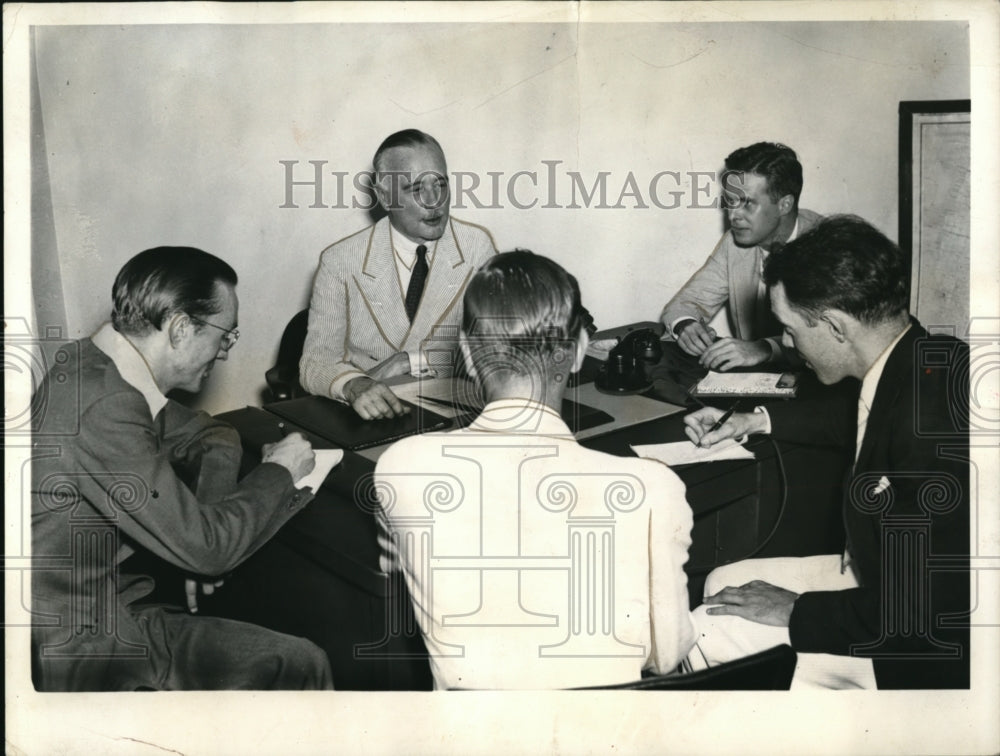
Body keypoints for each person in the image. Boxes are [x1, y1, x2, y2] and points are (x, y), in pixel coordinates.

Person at [374, 251, 696, 689]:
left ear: (467, 354)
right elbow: (667, 657)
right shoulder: (654, 488)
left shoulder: (400, 467)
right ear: (580, 350)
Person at [683, 216, 969, 689]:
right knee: (720, 584)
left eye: (790, 329)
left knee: (709, 631)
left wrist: (797, 610)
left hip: (923, 646)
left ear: (836, 326)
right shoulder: (919, 357)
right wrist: (753, 419)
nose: (788, 345)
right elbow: (859, 417)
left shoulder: (929, 433)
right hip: (885, 579)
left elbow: (927, 610)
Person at [31, 247, 333, 691]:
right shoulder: (105, 406)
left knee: (297, 662)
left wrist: (201, 538)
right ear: (180, 328)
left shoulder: (95, 367)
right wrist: (281, 471)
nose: (226, 352)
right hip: (85, 649)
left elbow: (215, 436)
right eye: (225, 335)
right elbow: (211, 549)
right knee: (301, 663)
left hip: (115, 608)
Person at [300, 129, 497, 420]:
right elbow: (315, 363)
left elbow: (495, 349)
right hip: (372, 415)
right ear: (384, 196)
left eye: (440, 184)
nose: (434, 201)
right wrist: (354, 384)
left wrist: (410, 362)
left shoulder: (475, 247)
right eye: (416, 189)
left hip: (453, 413)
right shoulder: (341, 261)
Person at [660, 142, 821, 371]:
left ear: (784, 204)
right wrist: (685, 325)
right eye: (730, 201)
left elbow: (827, 341)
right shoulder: (735, 243)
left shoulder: (827, 247)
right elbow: (687, 303)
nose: (733, 215)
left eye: (747, 203)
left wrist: (764, 349)